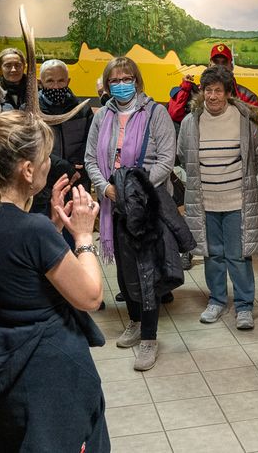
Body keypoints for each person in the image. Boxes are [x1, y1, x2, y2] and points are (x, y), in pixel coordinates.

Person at [0, 111, 108, 452]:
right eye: (45, 157)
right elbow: (90, 296)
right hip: (44, 378)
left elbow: (16, 271)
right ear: (28, 170)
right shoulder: (32, 231)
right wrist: (82, 235)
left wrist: (53, 226)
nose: (50, 163)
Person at [84, 56, 177, 370]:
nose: (121, 84)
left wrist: (135, 190)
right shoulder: (102, 116)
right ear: (107, 84)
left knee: (147, 272)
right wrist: (107, 188)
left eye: (127, 79)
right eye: (115, 80)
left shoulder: (155, 113)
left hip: (146, 204)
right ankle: (135, 322)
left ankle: (149, 338)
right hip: (114, 203)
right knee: (125, 272)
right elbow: (91, 159)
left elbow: (166, 159)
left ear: (137, 81)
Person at [177, 65, 258, 330]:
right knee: (212, 254)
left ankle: (244, 306)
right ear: (202, 92)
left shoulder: (245, 120)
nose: (213, 96)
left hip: (237, 201)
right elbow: (183, 154)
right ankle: (216, 300)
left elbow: (256, 155)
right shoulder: (190, 122)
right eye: (208, 90)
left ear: (228, 93)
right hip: (205, 202)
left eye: (218, 91)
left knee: (238, 255)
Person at [32, 59, 93, 210]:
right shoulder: (29, 111)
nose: (56, 86)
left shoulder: (82, 109)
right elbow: (32, 146)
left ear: (68, 81)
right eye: (50, 81)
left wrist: (77, 163)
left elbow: (91, 140)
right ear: (40, 82)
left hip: (77, 179)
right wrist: (62, 166)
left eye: (61, 81)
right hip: (43, 182)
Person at [168, 43, 258, 124]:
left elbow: (254, 130)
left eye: (224, 62)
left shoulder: (249, 97)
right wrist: (185, 89)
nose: (220, 66)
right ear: (209, 65)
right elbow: (175, 115)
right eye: (216, 62)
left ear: (231, 66)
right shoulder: (194, 92)